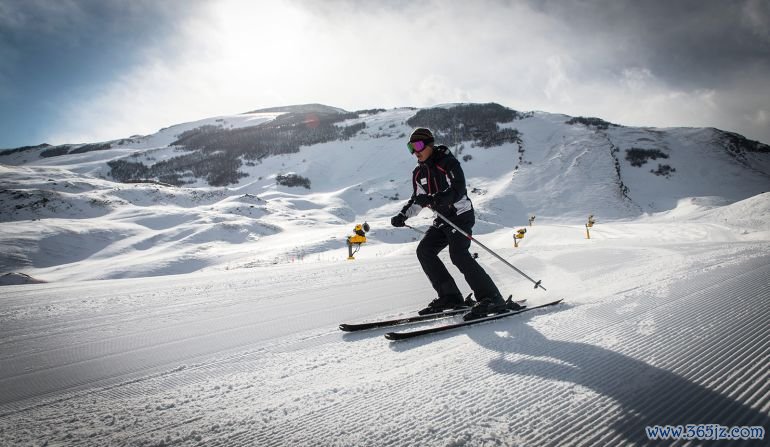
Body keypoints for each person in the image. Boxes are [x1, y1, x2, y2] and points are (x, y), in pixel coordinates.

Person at [390, 128, 523, 319]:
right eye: (411, 147)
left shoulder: (447, 163)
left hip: (460, 215)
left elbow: (458, 189)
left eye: (418, 145)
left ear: (430, 144)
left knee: (458, 254)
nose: (415, 151)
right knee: (425, 251)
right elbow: (418, 199)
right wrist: (403, 215)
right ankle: (450, 296)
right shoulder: (419, 173)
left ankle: (492, 298)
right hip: (442, 219)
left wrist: (440, 199)